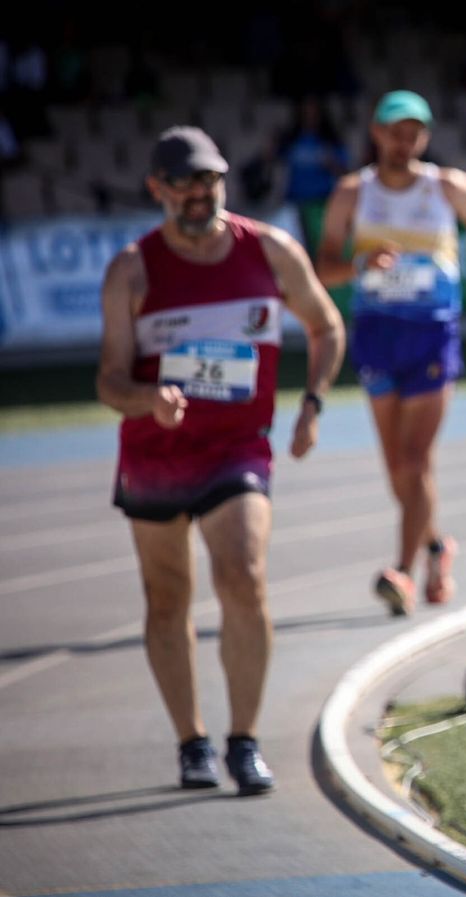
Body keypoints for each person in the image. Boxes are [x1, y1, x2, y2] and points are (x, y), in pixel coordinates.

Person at [96, 126, 345, 795]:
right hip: (155, 453)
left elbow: (326, 325)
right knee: (167, 596)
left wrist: (312, 403)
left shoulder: (269, 250)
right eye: (184, 183)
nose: (199, 193)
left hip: (237, 448)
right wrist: (147, 398)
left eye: (209, 180)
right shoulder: (133, 269)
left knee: (245, 574)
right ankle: (191, 742)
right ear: (158, 189)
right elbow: (109, 380)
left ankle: (244, 739)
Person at [314, 90, 466, 616]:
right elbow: (324, 269)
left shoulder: (446, 185)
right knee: (399, 473)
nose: (405, 141)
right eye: (395, 130)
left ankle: (402, 573)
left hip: (432, 332)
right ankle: (436, 547)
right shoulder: (350, 193)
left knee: (416, 459)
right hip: (377, 333)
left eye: (415, 132)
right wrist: (364, 266)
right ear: (377, 132)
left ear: (424, 137)